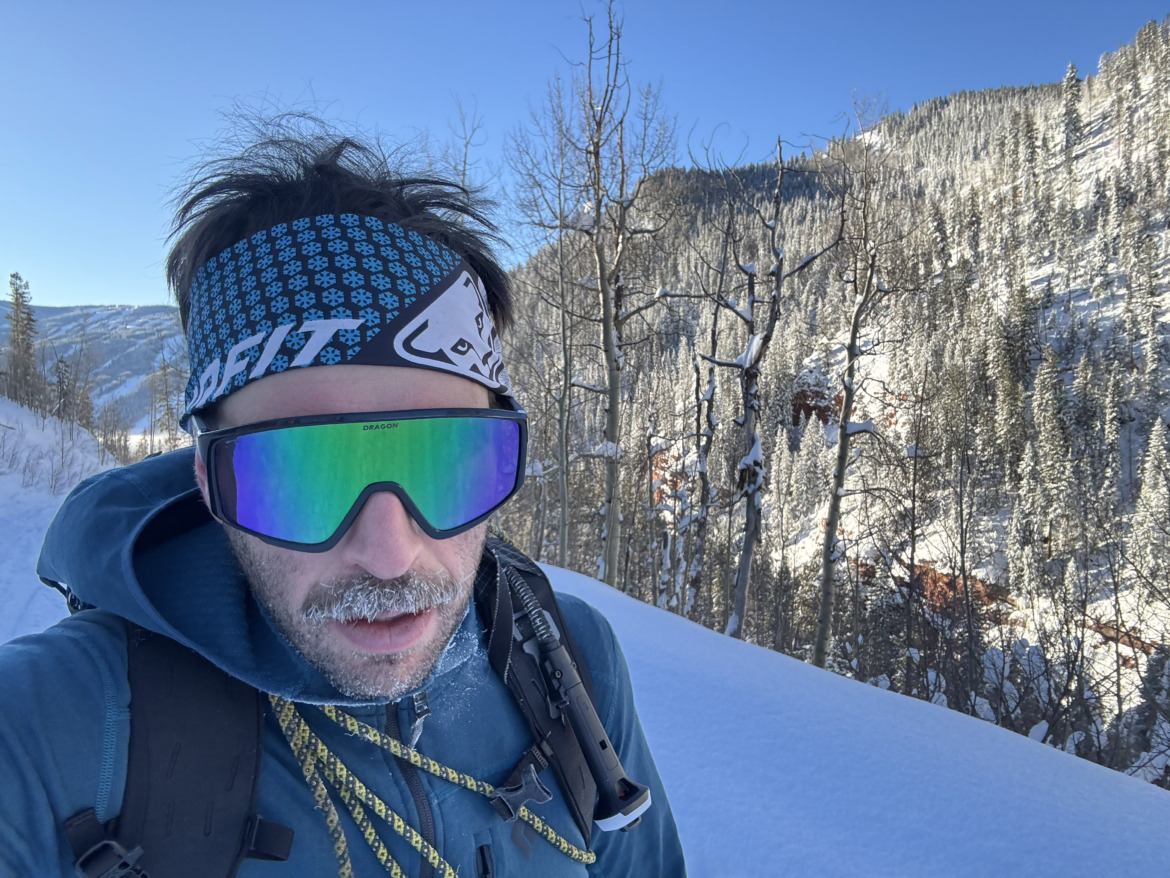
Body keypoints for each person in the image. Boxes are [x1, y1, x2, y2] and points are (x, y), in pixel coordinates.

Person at [0, 131, 686, 877]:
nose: (389, 554)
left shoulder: (570, 661)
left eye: (444, 462)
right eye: (302, 475)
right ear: (209, 482)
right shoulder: (43, 731)